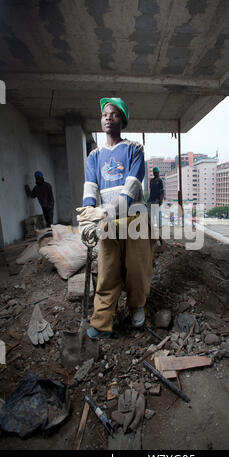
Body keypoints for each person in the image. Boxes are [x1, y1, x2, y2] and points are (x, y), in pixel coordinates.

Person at [76, 97, 154, 340]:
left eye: (114, 114)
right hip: (107, 223)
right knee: (108, 270)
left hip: (134, 219)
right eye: (104, 115)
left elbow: (131, 187)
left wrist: (105, 212)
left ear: (123, 120)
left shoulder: (134, 149)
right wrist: (89, 219)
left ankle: (136, 306)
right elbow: (90, 190)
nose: (108, 117)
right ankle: (101, 321)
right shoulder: (94, 156)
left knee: (137, 267)